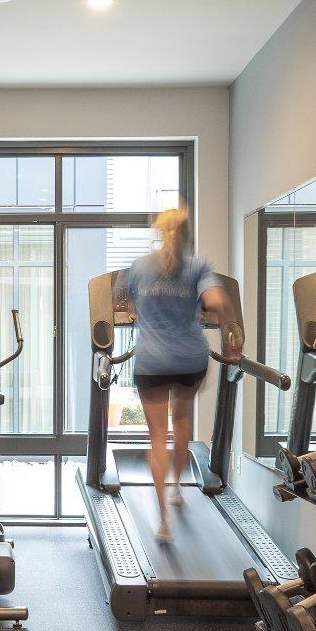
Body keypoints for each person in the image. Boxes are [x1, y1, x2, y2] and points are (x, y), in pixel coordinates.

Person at [121, 207, 241, 540]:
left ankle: (162, 521)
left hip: (151, 361)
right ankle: (176, 489)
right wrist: (232, 333)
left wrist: (151, 315)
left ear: (160, 232)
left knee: (157, 437)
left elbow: (130, 308)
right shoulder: (198, 267)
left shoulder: (139, 267)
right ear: (188, 234)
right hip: (190, 360)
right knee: (182, 422)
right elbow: (215, 302)